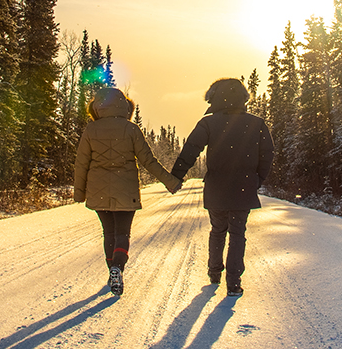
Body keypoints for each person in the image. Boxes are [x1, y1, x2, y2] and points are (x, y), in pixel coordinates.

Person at [171, 77, 274, 297]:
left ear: (214, 98)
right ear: (243, 98)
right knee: (238, 233)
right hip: (244, 187)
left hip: (217, 186)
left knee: (218, 230)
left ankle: (214, 271)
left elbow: (190, 150)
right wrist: (257, 180)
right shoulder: (256, 124)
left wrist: (175, 177)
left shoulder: (208, 123)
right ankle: (234, 283)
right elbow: (267, 155)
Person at [74, 87, 181, 296]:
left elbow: (81, 163)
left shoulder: (91, 130)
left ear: (96, 107)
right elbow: (148, 160)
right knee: (122, 233)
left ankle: (111, 270)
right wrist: (170, 181)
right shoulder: (131, 129)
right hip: (126, 190)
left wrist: (80, 192)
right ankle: (118, 268)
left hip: (98, 191)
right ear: (124, 106)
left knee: (109, 233)